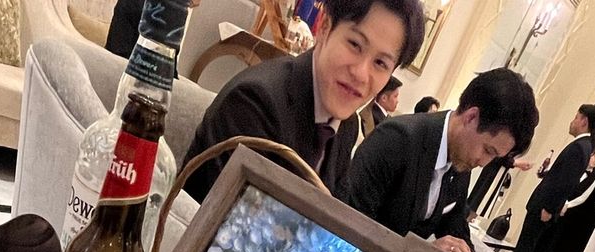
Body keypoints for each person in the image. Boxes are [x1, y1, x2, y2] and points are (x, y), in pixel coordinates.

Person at [180, 0, 426, 204]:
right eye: (355, 44)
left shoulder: (346, 126)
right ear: (325, 28)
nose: (361, 73)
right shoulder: (255, 103)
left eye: (380, 63)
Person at [338, 68, 538, 252]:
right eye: (488, 150)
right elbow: (350, 224)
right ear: (471, 117)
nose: (483, 162)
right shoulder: (397, 139)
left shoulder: (461, 159)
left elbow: (456, 225)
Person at [510, 102, 595, 252]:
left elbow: (566, 182)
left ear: (584, 121)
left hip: (545, 206)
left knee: (525, 246)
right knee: (525, 244)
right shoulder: (583, 146)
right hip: (544, 203)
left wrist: (549, 208)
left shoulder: (580, 147)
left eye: (576, 117)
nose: (572, 121)